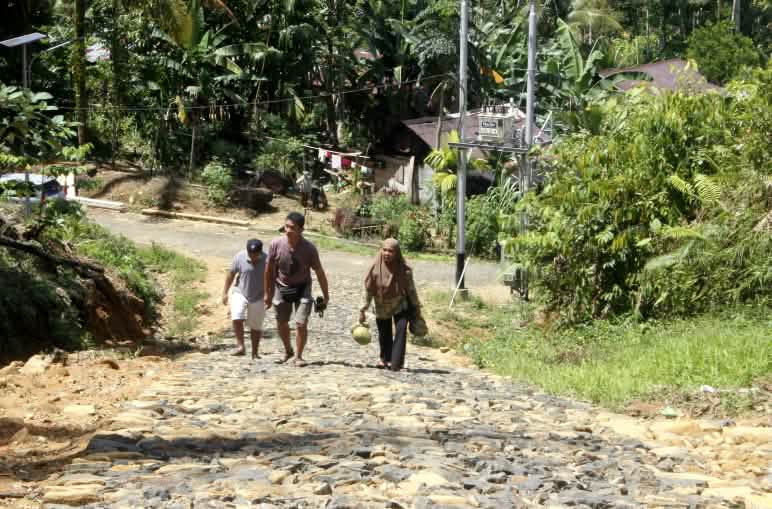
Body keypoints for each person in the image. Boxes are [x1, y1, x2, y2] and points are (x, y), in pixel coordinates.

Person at [265, 212, 329, 366]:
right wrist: (268, 293)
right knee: (281, 322)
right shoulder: (276, 244)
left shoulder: (309, 249)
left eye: (292, 228)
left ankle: (299, 356)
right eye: (286, 226)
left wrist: (326, 295)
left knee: (301, 323)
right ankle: (288, 350)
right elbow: (268, 270)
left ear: (301, 229)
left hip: (302, 288)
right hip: (283, 287)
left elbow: (319, 272)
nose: (288, 230)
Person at [359, 238, 421, 371]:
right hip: (381, 304)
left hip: (400, 304)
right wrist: (362, 310)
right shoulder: (374, 269)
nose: (387, 253)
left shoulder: (404, 270)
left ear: (397, 253)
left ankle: (396, 362)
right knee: (384, 333)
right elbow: (368, 290)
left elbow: (411, 290)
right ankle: (385, 358)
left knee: (401, 329)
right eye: (384, 250)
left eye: (390, 251)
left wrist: (416, 306)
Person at [222, 239, 266, 358]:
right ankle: (240, 346)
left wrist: (270, 295)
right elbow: (231, 274)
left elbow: (273, 278)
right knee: (237, 316)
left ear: (260, 252)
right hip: (240, 291)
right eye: (250, 254)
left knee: (255, 325)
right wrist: (225, 292)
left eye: (255, 254)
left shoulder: (267, 260)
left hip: (259, 295)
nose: (253, 257)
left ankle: (255, 351)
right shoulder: (239, 257)